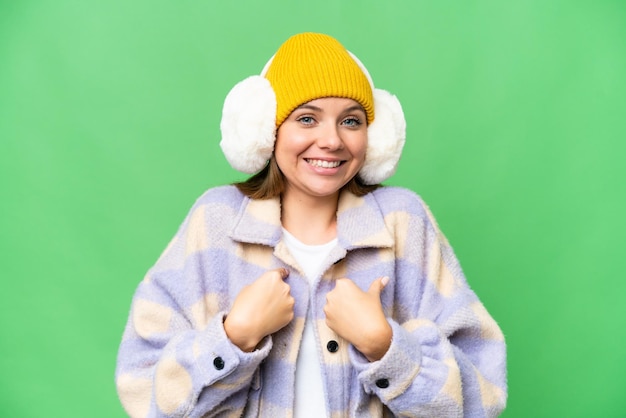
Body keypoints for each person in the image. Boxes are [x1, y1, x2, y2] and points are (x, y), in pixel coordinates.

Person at [115, 32, 507, 417]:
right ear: (266, 130)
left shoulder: (404, 222)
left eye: (351, 121)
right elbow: (145, 392)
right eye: (307, 118)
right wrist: (235, 337)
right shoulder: (215, 221)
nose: (332, 140)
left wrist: (384, 346)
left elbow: (483, 397)